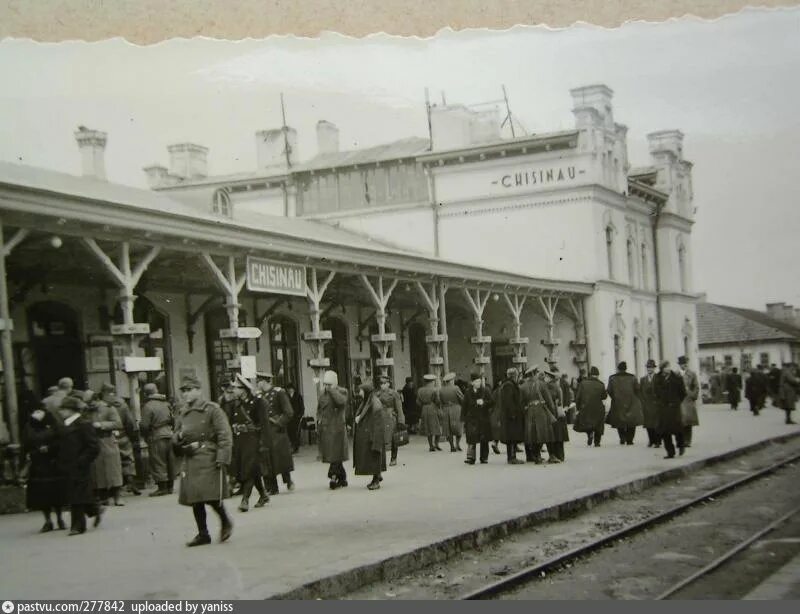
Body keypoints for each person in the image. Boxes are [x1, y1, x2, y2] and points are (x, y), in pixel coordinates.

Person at [173, 374, 233, 547]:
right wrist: (179, 438)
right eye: (183, 391)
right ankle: (203, 533)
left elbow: (224, 434)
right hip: (190, 456)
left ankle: (225, 522)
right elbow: (175, 434)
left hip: (208, 456)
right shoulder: (182, 411)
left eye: (189, 390)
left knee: (211, 495)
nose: (185, 394)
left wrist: (223, 457)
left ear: (199, 390)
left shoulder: (212, 409)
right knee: (195, 497)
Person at [56, 395, 102, 536]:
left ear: (71, 410)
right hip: (67, 465)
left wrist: (82, 460)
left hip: (79, 464)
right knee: (75, 493)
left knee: (76, 495)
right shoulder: (65, 424)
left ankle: (77, 526)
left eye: (63, 409)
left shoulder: (83, 424)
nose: (60, 412)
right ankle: (95, 509)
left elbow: (94, 446)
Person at [227, 374, 270, 512]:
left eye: (236, 388)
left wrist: (264, 443)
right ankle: (263, 495)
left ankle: (245, 499)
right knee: (251, 469)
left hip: (254, 439)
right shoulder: (237, 403)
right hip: (240, 440)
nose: (233, 390)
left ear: (243, 389)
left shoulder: (257, 402)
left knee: (249, 469)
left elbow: (264, 423)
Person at [23, 404, 66, 532]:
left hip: (52, 463)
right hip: (37, 464)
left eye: (39, 410)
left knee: (55, 492)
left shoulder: (53, 424)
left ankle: (59, 518)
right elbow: (25, 443)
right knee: (41, 494)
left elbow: (61, 441)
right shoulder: (28, 426)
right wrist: (28, 454)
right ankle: (47, 520)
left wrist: (50, 448)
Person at [84, 387, 124, 506]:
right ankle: (102, 497)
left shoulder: (108, 408)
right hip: (94, 442)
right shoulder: (86, 411)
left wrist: (101, 424)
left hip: (108, 441)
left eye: (90, 402)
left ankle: (117, 496)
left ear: (96, 399)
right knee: (97, 471)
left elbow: (118, 423)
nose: (89, 405)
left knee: (113, 470)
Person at [256, 372, 295, 495]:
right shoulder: (259, 396)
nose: (257, 384)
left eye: (259, 381)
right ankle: (271, 486)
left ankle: (287, 480)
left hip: (277, 431)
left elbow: (288, 412)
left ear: (264, 381)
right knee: (267, 459)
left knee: (280, 459)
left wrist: (278, 423)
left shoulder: (279, 393)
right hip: (265, 431)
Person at [99, 384, 141, 496]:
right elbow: (129, 422)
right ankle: (131, 481)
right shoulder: (122, 404)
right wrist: (132, 436)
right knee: (127, 460)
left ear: (103, 392)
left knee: (111, 464)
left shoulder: (101, 405)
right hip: (122, 435)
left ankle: (114, 489)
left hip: (108, 437)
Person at [140, 382, 176, 497]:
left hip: (156, 435)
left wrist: (145, 436)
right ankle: (170, 486)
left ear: (146, 393)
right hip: (169, 434)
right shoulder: (166, 403)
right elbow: (173, 419)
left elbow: (145, 425)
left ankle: (162, 488)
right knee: (170, 460)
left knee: (158, 461)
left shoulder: (147, 406)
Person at [317, 370, 350, 489]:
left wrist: (332, 390)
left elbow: (341, 402)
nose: (326, 387)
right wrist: (319, 420)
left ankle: (333, 477)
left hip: (337, 428)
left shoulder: (342, 391)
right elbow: (319, 409)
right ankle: (342, 478)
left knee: (335, 454)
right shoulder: (322, 394)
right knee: (333, 455)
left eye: (329, 384)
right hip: (326, 428)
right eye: (325, 384)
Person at [353, 381, 388, 490]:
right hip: (368, 436)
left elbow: (378, 424)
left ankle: (376, 480)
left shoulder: (375, 404)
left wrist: (376, 441)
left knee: (374, 458)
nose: (359, 393)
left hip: (372, 437)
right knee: (372, 459)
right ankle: (376, 477)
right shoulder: (368, 401)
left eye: (361, 391)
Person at [520, 366, 555, 463]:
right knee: (547, 433)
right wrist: (553, 412)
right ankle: (551, 456)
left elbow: (521, 403)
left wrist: (525, 412)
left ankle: (537, 457)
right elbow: (549, 401)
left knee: (534, 435)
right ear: (535, 373)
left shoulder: (523, 386)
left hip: (530, 412)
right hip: (541, 411)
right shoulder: (542, 384)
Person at [654, 360, 687, 459]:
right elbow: (655, 392)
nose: (668, 368)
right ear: (662, 369)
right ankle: (670, 452)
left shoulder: (676, 378)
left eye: (669, 366)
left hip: (674, 408)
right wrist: (660, 402)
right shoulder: (657, 378)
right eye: (666, 367)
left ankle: (681, 445)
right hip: (663, 408)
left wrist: (676, 402)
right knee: (665, 432)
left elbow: (683, 393)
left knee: (678, 429)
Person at [606, 362, 643, 446]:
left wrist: (615, 398)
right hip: (631, 402)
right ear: (626, 368)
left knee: (619, 420)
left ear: (618, 368)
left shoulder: (612, 378)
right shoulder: (632, 377)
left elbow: (609, 390)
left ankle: (622, 438)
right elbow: (637, 389)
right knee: (631, 421)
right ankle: (630, 440)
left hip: (617, 402)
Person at [462, 372, 494, 464]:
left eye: (479, 381)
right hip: (472, 418)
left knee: (484, 438)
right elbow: (464, 406)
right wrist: (464, 419)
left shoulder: (486, 390)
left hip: (483, 417)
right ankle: (471, 457)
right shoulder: (468, 392)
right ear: (472, 383)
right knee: (471, 437)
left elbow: (492, 402)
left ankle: (484, 457)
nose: (479, 383)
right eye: (476, 381)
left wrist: (484, 402)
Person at [497, 367, 525, 464]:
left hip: (508, 415)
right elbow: (509, 401)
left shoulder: (506, 384)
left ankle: (512, 456)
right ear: (514, 376)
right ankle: (512, 457)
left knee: (511, 436)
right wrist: (513, 413)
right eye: (517, 375)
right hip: (511, 416)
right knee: (512, 436)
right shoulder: (509, 385)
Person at [574, 366, 607, 447]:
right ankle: (597, 442)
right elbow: (604, 396)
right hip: (598, 408)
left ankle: (589, 434)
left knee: (588, 423)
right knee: (598, 425)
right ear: (598, 375)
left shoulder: (583, 383)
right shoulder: (601, 384)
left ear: (590, 374)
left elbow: (578, 397)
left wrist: (578, 408)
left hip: (586, 407)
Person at [376, 375, 404, 466]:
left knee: (393, 438)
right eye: (381, 383)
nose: (382, 385)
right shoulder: (377, 394)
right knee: (381, 439)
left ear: (388, 384)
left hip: (391, 417)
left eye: (384, 383)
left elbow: (399, 408)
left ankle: (393, 458)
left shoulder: (394, 394)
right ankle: (381, 459)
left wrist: (401, 421)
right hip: (380, 418)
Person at [439, 372, 464, 453]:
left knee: (448, 429)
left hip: (446, 409)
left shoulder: (441, 389)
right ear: (451, 381)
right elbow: (462, 398)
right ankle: (457, 444)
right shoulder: (456, 388)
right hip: (456, 409)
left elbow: (440, 401)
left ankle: (451, 446)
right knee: (458, 428)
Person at [678, 355, 700, 447]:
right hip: (679, 400)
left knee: (688, 421)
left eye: (685, 364)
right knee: (680, 421)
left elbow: (696, 386)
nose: (684, 366)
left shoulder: (692, 374)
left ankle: (688, 440)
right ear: (679, 365)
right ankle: (681, 440)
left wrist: (693, 395)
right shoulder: (676, 374)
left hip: (688, 399)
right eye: (682, 364)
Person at [639, 360, 661, 447]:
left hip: (656, 404)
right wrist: (642, 402)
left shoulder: (658, 378)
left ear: (654, 368)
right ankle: (651, 440)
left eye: (651, 367)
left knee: (657, 424)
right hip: (646, 404)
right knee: (648, 424)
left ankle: (658, 441)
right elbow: (640, 392)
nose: (649, 369)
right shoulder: (643, 379)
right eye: (648, 367)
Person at [417, 374, 442, 452]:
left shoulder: (420, 390)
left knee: (428, 428)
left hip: (424, 409)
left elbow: (418, 402)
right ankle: (436, 444)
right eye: (433, 381)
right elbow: (437, 400)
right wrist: (438, 406)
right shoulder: (435, 390)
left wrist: (423, 405)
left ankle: (431, 446)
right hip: (433, 408)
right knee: (437, 426)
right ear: (432, 382)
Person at [285, 383, 305, 454]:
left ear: (293, 389)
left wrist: (300, 415)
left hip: (296, 417)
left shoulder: (298, 396)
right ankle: (292, 446)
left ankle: (296, 447)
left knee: (296, 432)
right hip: (289, 417)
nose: (289, 390)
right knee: (290, 432)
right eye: (288, 389)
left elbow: (302, 406)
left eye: (290, 389)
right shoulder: (286, 396)